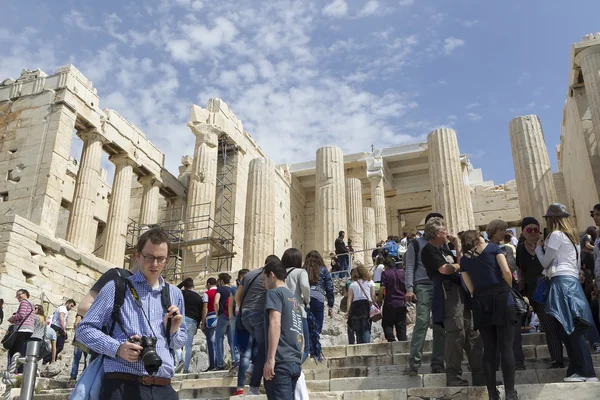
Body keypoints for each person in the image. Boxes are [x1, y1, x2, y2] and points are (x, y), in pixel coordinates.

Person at [76, 227, 186, 400]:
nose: (155, 264)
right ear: (137, 255)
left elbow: (179, 342)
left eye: (160, 258)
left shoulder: (175, 294)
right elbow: (84, 330)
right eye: (149, 257)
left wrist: (174, 330)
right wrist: (117, 348)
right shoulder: (116, 287)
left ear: (167, 259)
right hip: (123, 385)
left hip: (164, 387)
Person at [535, 204, 598, 382]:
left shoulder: (555, 235)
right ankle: (577, 370)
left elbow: (545, 263)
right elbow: (576, 267)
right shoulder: (573, 239)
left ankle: (585, 371)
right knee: (570, 328)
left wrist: (539, 249)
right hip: (571, 282)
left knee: (570, 328)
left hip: (561, 282)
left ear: (551, 219)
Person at [420, 217, 484, 387]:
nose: (447, 233)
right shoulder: (429, 251)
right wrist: (457, 266)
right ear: (436, 233)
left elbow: (461, 263)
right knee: (456, 333)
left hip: (462, 292)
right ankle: (453, 376)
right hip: (448, 294)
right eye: (444, 230)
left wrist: (457, 247)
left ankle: (480, 374)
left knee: (472, 332)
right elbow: (446, 269)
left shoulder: (445, 249)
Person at [460, 230, 519, 400]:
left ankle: (492, 393)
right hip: (501, 297)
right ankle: (510, 392)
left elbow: (470, 288)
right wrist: (508, 288)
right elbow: (506, 271)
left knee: (489, 349)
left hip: (480, 302)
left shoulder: (464, 260)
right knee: (506, 347)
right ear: (479, 237)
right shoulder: (493, 249)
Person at [515, 216, 565, 368]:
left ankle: (573, 358)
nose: (532, 232)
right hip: (535, 293)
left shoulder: (547, 245)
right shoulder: (521, 248)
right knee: (549, 326)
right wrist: (522, 291)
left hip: (553, 288)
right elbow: (520, 269)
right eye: (529, 229)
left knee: (562, 324)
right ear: (523, 232)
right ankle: (557, 359)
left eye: (535, 229)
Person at [404, 212, 446, 376]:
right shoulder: (415, 244)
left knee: (440, 325)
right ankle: (414, 363)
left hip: (440, 285)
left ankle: (438, 362)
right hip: (422, 286)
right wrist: (409, 288)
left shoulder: (441, 244)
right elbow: (409, 266)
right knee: (421, 323)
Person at [234, 256, 277, 396]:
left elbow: (237, 297)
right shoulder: (270, 276)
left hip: (245, 316)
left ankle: (253, 368)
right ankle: (254, 385)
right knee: (264, 349)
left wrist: (245, 309)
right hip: (259, 315)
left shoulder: (249, 274)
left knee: (259, 345)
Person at [262, 260, 304, 400]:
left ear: (272, 275)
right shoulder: (294, 299)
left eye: (264, 279)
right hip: (294, 362)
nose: (264, 284)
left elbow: (275, 323)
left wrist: (270, 359)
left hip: (280, 363)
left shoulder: (274, 293)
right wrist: (298, 358)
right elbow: (300, 331)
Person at [487, 220, 525, 371]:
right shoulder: (488, 249)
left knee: (514, 329)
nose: (505, 233)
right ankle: (499, 363)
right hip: (499, 291)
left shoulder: (507, 248)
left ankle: (518, 361)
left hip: (508, 288)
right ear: (494, 231)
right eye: (502, 230)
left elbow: (511, 266)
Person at [282, 248, 311, 362]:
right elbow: (305, 285)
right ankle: (294, 367)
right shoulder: (301, 272)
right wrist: (307, 300)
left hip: (283, 312)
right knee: (305, 346)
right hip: (298, 310)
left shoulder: (281, 273)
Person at [302, 250, 334, 334]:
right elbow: (329, 288)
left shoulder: (303, 270)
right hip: (318, 298)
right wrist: (330, 305)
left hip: (304, 299)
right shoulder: (324, 270)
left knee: (305, 329)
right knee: (317, 328)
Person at [176, 277, 203, 374]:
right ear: (193, 286)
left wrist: (182, 283)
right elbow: (200, 312)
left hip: (182, 319)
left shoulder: (181, 293)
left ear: (184, 286)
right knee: (188, 346)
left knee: (176, 341)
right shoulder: (198, 297)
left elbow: (175, 289)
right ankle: (186, 369)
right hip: (193, 322)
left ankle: (180, 359)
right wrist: (198, 325)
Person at [378, 257, 407, 342]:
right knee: (401, 326)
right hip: (402, 303)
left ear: (386, 266)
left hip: (390, 303)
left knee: (387, 324)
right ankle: (403, 343)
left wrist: (379, 300)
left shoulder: (385, 274)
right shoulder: (402, 273)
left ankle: (391, 341)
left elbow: (382, 288)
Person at [345, 265, 375, 344]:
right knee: (366, 328)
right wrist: (374, 304)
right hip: (366, 305)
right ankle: (367, 346)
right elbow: (373, 296)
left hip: (356, 306)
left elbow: (349, 299)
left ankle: (359, 346)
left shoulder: (353, 284)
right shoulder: (370, 282)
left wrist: (348, 311)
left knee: (358, 329)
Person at [215, 273, 239, 370]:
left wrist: (217, 314)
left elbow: (216, 302)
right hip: (231, 317)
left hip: (222, 316)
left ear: (221, 281)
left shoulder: (220, 289)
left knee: (219, 339)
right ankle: (234, 360)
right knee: (232, 340)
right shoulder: (232, 289)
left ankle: (220, 363)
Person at [8, 289, 35, 373]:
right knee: (22, 350)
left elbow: (21, 315)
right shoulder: (31, 304)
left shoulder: (24, 302)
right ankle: (20, 370)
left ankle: (17, 370)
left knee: (16, 350)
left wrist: (12, 318)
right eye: (17, 295)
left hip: (22, 329)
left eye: (19, 295)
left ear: (24, 294)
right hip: (29, 329)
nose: (18, 297)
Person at [201, 277, 218, 372]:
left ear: (208, 284)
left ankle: (212, 364)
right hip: (221, 317)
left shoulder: (207, 294)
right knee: (219, 342)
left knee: (211, 342)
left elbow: (205, 308)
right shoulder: (220, 291)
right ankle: (219, 363)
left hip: (210, 318)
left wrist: (203, 322)